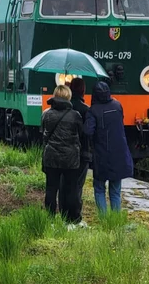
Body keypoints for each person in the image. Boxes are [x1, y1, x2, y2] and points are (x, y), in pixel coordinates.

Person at [84, 81, 133, 213]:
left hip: (102, 154)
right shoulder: (117, 105)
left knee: (99, 187)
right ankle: (115, 217)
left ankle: (103, 217)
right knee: (115, 189)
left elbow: (88, 131)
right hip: (119, 152)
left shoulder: (93, 110)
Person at [41, 84, 83, 225]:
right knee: (72, 190)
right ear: (68, 97)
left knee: (51, 189)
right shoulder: (75, 115)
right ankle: (72, 220)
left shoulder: (46, 114)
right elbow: (81, 134)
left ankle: (50, 220)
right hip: (70, 159)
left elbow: (43, 134)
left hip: (51, 157)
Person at [60, 77, 92, 222]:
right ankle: (75, 217)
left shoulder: (59, 109)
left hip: (62, 152)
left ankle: (63, 214)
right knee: (76, 185)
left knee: (63, 184)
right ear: (83, 90)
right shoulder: (85, 110)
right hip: (80, 153)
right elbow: (87, 133)